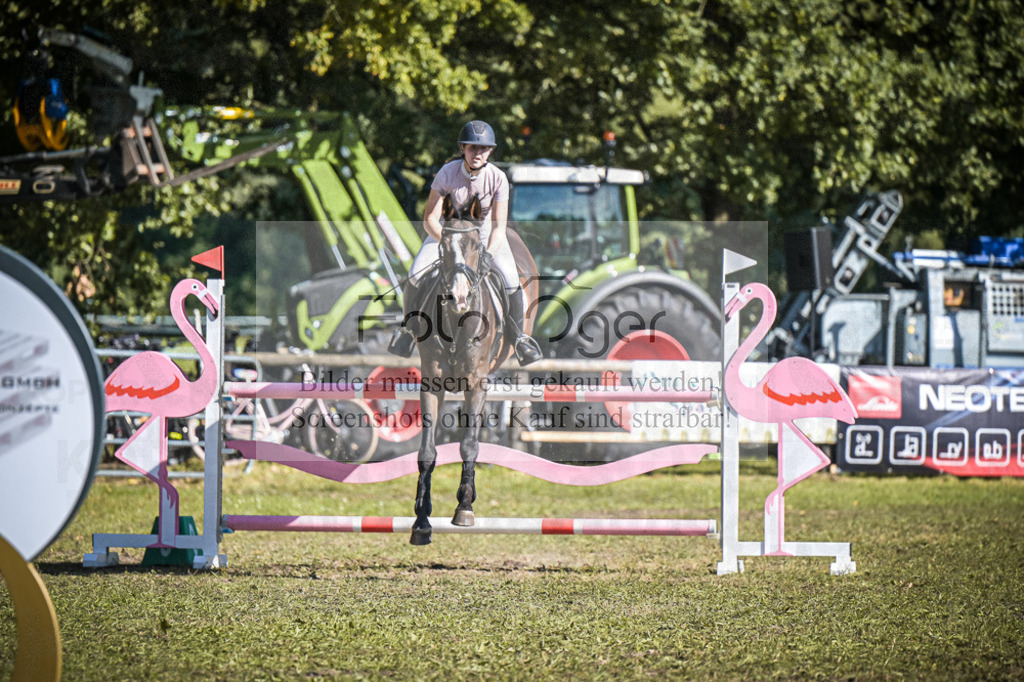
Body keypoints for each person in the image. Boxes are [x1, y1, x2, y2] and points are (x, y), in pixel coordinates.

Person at [388, 120, 543, 366]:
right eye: (473, 148)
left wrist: (488, 255)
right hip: (445, 235)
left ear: (490, 151)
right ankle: (407, 332)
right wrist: (451, 245)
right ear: (463, 148)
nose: (478, 154)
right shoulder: (446, 173)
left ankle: (519, 338)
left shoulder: (497, 178)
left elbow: (499, 227)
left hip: (484, 238)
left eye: (483, 149)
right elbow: (430, 219)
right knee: (415, 274)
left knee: (513, 282)